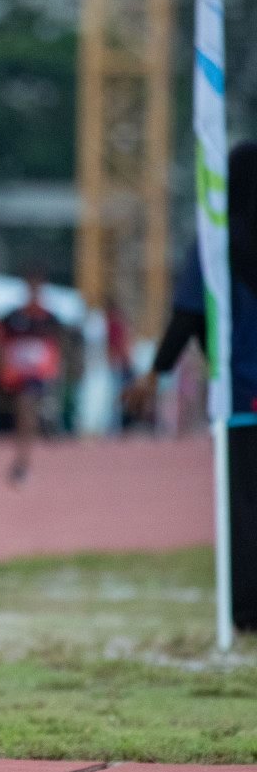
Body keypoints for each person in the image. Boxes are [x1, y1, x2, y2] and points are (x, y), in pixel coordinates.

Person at [125, 140, 257, 632]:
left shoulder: (218, 239)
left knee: (243, 504)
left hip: (243, 389)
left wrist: (155, 372)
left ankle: (245, 609)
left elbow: (187, 315)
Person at [0, 275, 61, 485]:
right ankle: (25, 454)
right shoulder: (15, 317)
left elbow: (56, 346)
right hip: (19, 374)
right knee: (24, 414)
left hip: (38, 374)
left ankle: (23, 459)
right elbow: (2, 342)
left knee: (26, 411)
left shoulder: (48, 318)